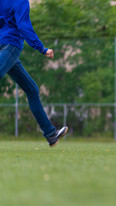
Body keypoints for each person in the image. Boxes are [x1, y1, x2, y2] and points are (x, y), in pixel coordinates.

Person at [0, 0, 68, 147]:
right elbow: (23, 26)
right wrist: (41, 48)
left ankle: (51, 134)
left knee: (32, 90)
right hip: (10, 45)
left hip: (5, 47)